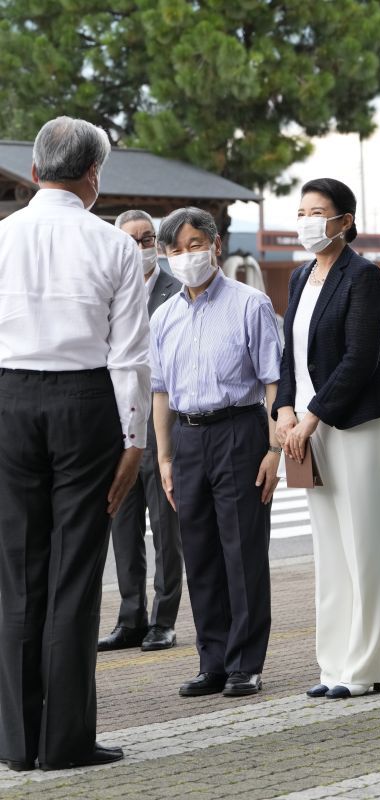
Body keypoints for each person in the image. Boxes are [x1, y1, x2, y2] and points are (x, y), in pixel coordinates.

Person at [0, 117, 151, 771]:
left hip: (8, 401)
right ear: (94, 176)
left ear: (35, 172)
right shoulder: (114, 245)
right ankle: (63, 742)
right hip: (85, 403)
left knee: (13, 575)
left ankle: (14, 741)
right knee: (74, 575)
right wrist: (134, 441)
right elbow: (131, 358)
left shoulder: (1, 236)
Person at [150, 207, 282, 697]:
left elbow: (273, 383)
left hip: (239, 431)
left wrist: (273, 451)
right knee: (200, 552)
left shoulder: (251, 305)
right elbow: (160, 392)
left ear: (215, 245)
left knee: (243, 550)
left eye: (193, 245)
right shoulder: (163, 316)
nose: (185, 257)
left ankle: (246, 662)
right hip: (187, 438)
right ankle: (213, 662)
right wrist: (165, 457)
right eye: (175, 250)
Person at [273, 178, 380, 699]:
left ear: (344, 220)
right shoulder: (301, 276)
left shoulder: (363, 276)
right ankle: (332, 666)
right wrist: (283, 408)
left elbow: (360, 357)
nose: (306, 221)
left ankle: (363, 668)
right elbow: (290, 353)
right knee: (328, 549)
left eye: (317, 211)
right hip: (304, 426)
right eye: (300, 211)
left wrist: (313, 415)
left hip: (353, 426)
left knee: (361, 545)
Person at [98, 210, 184, 653]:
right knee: (122, 522)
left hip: (161, 424)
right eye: (131, 238)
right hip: (115, 424)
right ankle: (130, 616)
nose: (141, 245)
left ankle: (163, 619)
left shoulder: (176, 290)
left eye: (148, 237)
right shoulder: (106, 288)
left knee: (166, 525)